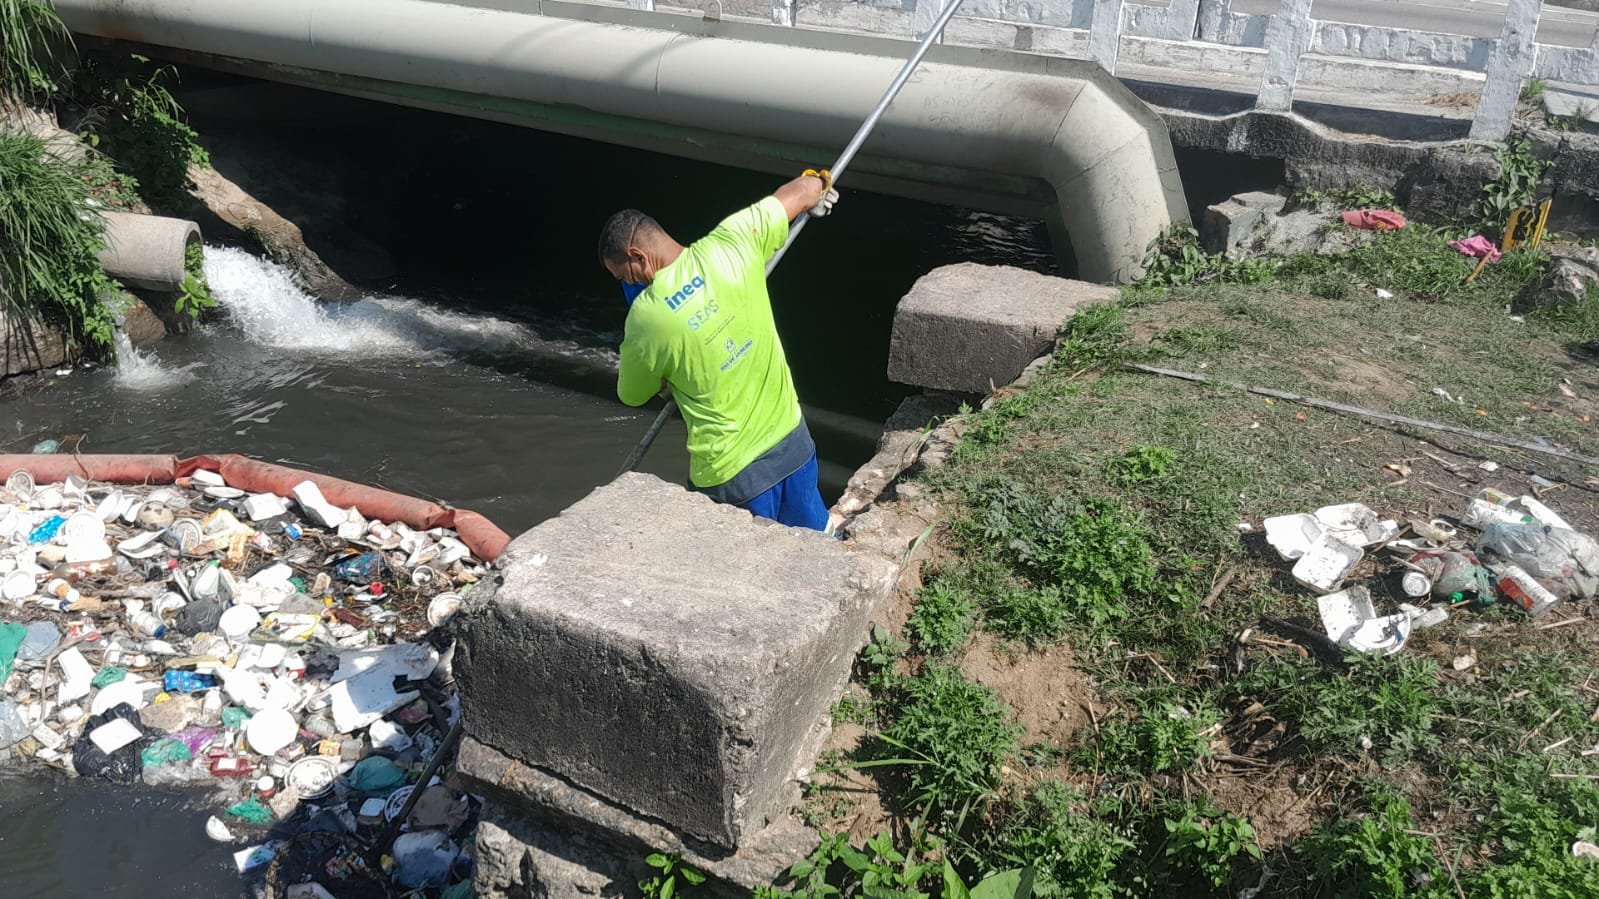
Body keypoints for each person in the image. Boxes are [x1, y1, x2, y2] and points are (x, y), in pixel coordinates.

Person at [597, 170, 840, 530]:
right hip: (793, 442)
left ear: (638, 256)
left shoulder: (646, 319)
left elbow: (631, 394)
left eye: (623, 276)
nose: (627, 284)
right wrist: (820, 185)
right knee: (816, 540)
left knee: (745, 563)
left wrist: (666, 380)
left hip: (733, 475)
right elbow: (802, 189)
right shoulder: (733, 239)